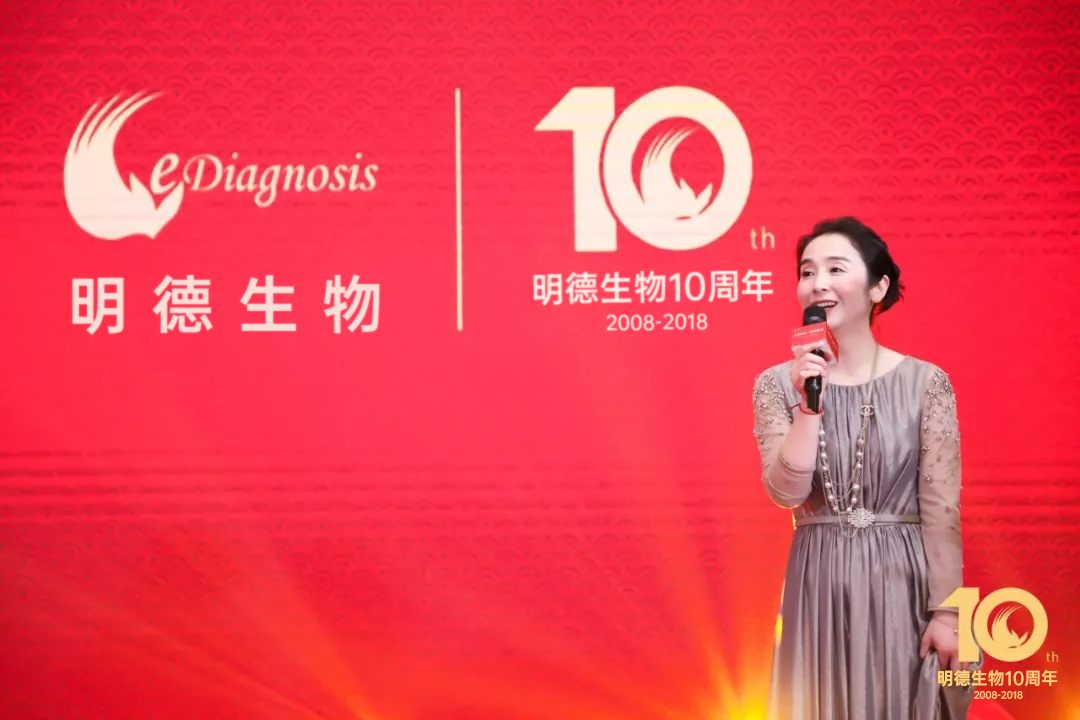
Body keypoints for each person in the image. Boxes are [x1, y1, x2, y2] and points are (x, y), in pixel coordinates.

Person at [751, 217, 978, 720]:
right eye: (807, 271)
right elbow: (787, 492)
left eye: (835, 269)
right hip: (818, 581)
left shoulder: (926, 382)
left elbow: (942, 507)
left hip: (903, 580)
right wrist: (808, 406)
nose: (818, 283)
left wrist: (950, 612)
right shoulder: (777, 384)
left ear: (878, 288)